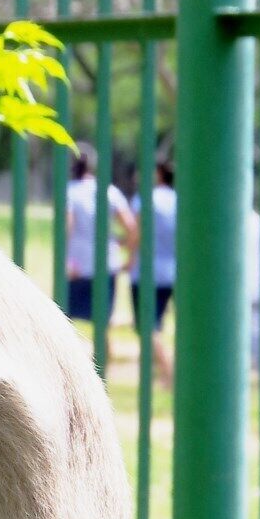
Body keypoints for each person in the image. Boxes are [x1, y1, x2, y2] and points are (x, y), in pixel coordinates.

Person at [62, 142, 134, 333]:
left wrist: (65, 259)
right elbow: (131, 228)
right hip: (106, 265)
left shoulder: (70, 192)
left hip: (78, 266)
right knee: (103, 326)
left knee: (65, 322)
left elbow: (67, 227)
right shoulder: (109, 191)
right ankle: (103, 361)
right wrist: (121, 244)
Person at [133, 157, 178, 389]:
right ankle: (154, 375)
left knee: (148, 328)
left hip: (146, 272)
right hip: (173, 272)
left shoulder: (146, 199)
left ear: (158, 174)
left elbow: (136, 233)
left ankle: (170, 374)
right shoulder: (178, 199)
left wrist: (127, 255)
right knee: (158, 326)